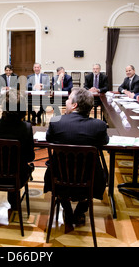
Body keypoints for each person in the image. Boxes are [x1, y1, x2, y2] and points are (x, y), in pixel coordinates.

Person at [44, 87, 109, 226]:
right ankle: (80, 211)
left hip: (59, 178)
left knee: (54, 167)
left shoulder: (56, 121)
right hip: (89, 179)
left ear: (74, 105)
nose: (65, 102)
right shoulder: (99, 125)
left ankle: (67, 210)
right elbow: (104, 142)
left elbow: (49, 138)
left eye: (68, 99)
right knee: (101, 172)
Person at [0, 91, 34, 209]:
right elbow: (30, 157)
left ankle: (12, 200)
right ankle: (14, 201)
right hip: (17, 178)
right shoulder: (26, 128)